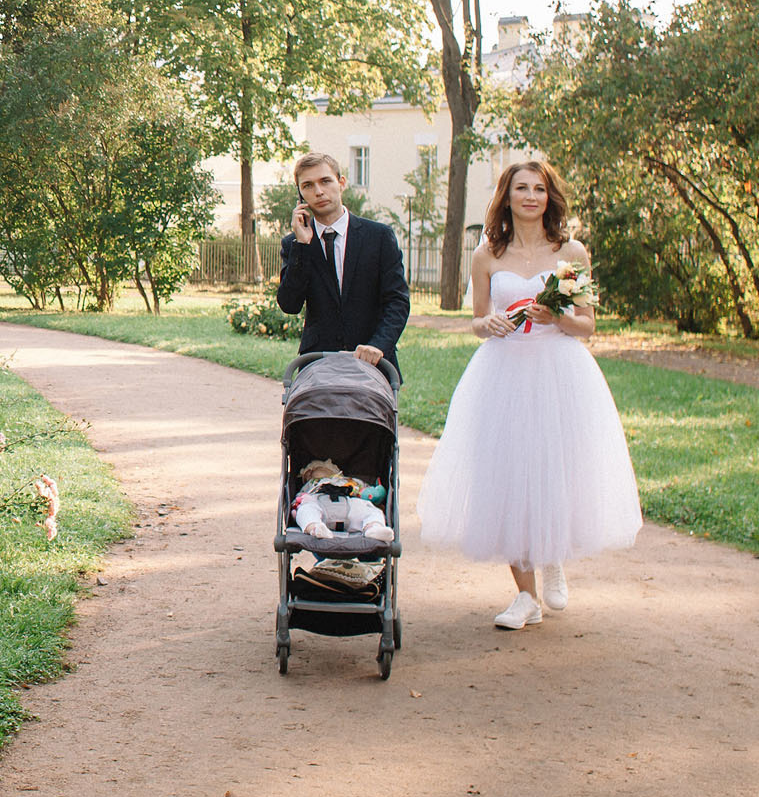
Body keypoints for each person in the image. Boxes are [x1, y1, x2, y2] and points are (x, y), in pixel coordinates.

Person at [415, 159, 641, 629]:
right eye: (522, 188)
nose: (531, 196)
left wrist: (554, 317)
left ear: (549, 197)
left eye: (539, 189)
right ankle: (525, 596)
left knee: (554, 468)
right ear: (508, 196)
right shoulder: (487, 256)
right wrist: (489, 324)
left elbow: (586, 325)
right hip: (504, 371)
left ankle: (552, 556)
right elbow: (477, 320)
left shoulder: (570, 252)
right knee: (508, 473)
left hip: (558, 370)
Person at [274, 150, 411, 378]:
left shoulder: (378, 237)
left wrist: (378, 345)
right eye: (308, 185)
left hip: (373, 366)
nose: (318, 191)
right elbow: (289, 304)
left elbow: (397, 301)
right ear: (300, 195)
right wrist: (302, 246)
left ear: (341, 183)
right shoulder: (295, 244)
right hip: (317, 368)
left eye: (325, 181)